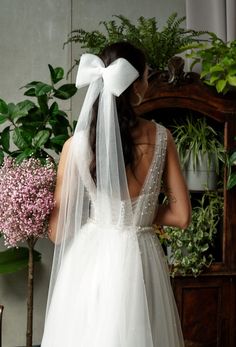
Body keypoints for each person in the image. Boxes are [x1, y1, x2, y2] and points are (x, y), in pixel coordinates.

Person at [41, 41, 191, 347]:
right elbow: (182, 216)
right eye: (148, 76)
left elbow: (56, 233)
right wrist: (143, 209)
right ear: (135, 85)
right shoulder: (163, 138)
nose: (149, 83)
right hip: (142, 255)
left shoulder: (75, 146)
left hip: (92, 256)